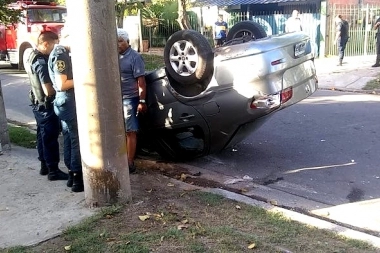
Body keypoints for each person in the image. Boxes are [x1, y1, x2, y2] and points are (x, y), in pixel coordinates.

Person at [24, 31, 68, 181]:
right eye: (54, 45)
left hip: (37, 103)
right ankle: (53, 170)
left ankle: (44, 165)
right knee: (50, 137)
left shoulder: (32, 56)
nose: (55, 49)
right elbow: (48, 90)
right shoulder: (42, 61)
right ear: (45, 43)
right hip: (46, 105)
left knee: (42, 135)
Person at [48, 29, 84, 192]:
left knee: (69, 138)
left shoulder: (60, 52)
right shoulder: (60, 54)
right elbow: (62, 84)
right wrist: (85, 77)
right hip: (67, 99)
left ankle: (71, 174)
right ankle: (77, 177)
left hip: (64, 101)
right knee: (75, 138)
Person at [117, 28, 147, 173]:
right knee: (119, 131)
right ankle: (121, 158)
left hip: (130, 99)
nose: (118, 44)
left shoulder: (134, 57)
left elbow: (141, 81)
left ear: (127, 41)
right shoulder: (114, 56)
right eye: (115, 41)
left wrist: (142, 101)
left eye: (120, 41)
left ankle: (129, 162)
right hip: (116, 99)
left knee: (130, 131)